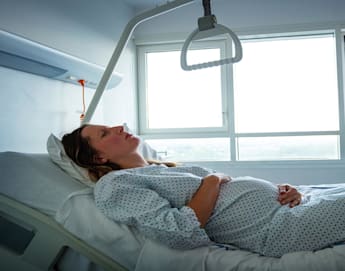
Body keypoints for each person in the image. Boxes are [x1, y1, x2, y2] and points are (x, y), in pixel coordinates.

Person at [62, 124, 345, 257]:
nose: (118, 127)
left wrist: (288, 192)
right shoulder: (115, 186)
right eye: (104, 133)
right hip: (275, 230)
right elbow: (178, 232)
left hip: (289, 209)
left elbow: (228, 195)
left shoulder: (162, 169)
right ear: (99, 158)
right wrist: (213, 180)